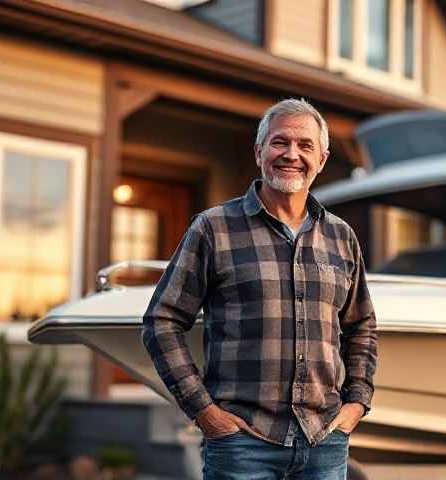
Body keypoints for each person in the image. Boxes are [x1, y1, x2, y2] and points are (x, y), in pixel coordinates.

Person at [142, 98, 378, 480]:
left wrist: (356, 404)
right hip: (241, 445)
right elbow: (162, 321)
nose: (291, 154)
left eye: (305, 146)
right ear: (259, 152)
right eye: (279, 142)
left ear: (322, 158)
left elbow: (362, 326)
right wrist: (205, 412)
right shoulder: (213, 228)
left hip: (325, 441)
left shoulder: (341, 236)